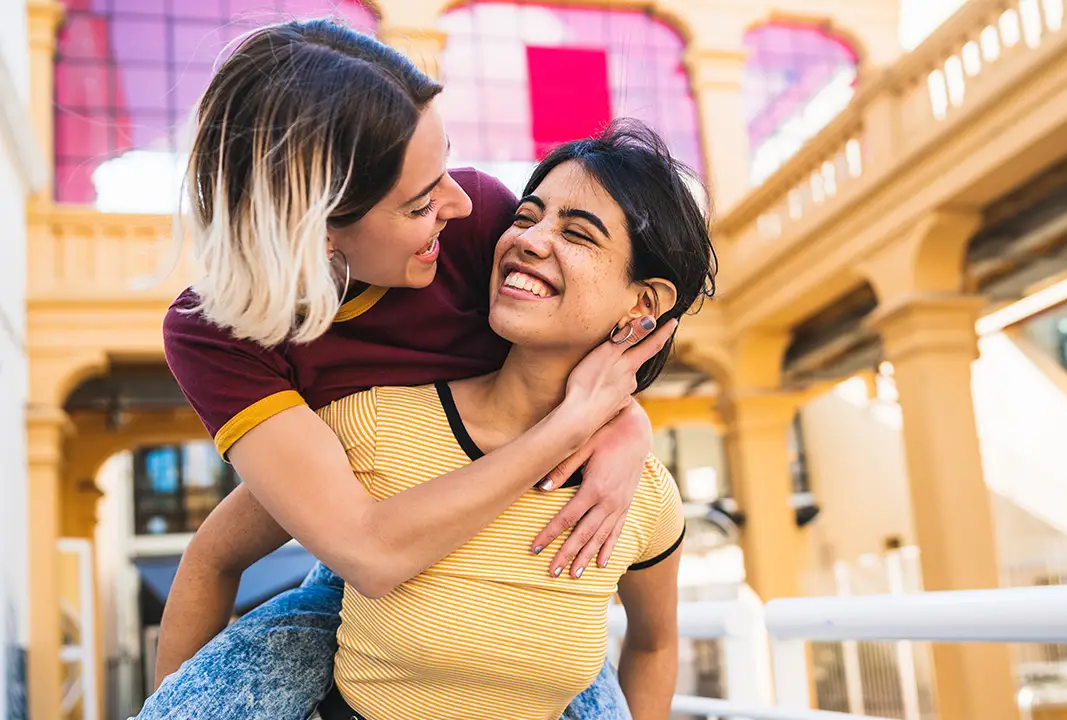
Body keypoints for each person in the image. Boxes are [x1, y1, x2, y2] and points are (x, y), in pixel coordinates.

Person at [142, 19, 672, 720]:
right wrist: (571, 425)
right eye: (421, 202)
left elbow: (604, 305)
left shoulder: (477, 221)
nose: (457, 201)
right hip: (368, 558)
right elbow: (363, 550)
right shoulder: (219, 336)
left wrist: (623, 421)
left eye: (445, 166)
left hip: (527, 593)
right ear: (319, 226)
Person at [311, 119, 715, 720]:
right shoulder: (372, 422)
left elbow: (655, 644)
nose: (529, 239)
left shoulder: (644, 496)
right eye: (526, 217)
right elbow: (215, 558)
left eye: (577, 234)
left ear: (644, 304)